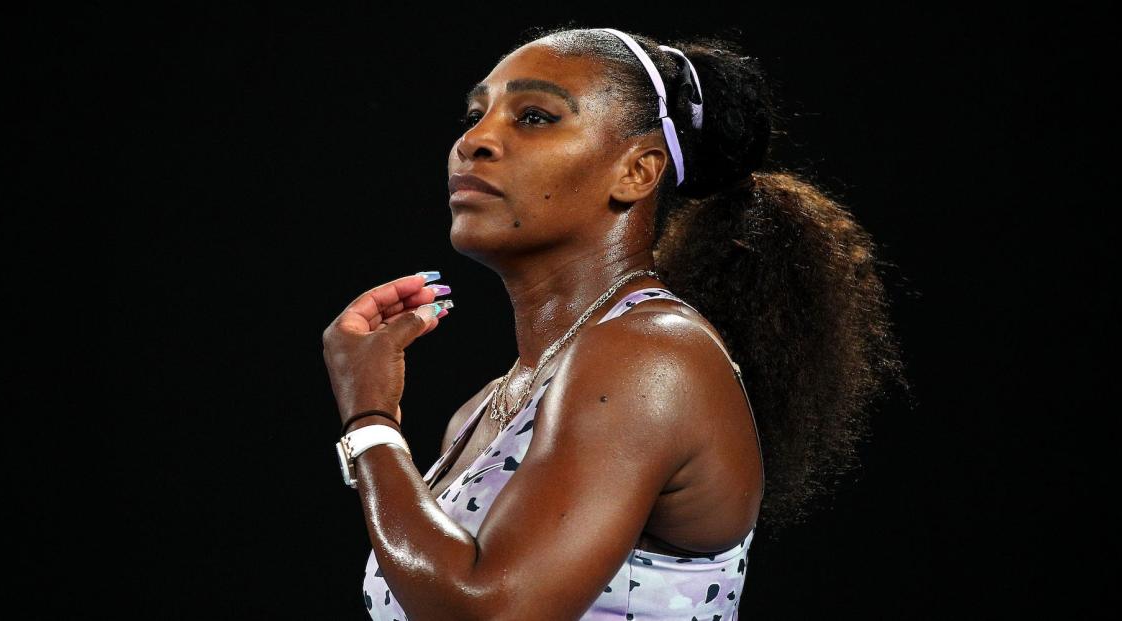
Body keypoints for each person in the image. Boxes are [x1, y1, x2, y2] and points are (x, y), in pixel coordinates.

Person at [322, 26, 907, 620]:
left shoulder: (650, 354)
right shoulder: (480, 413)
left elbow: (490, 612)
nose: (474, 141)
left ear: (637, 172)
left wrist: (370, 420)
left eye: (534, 116)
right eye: (475, 114)